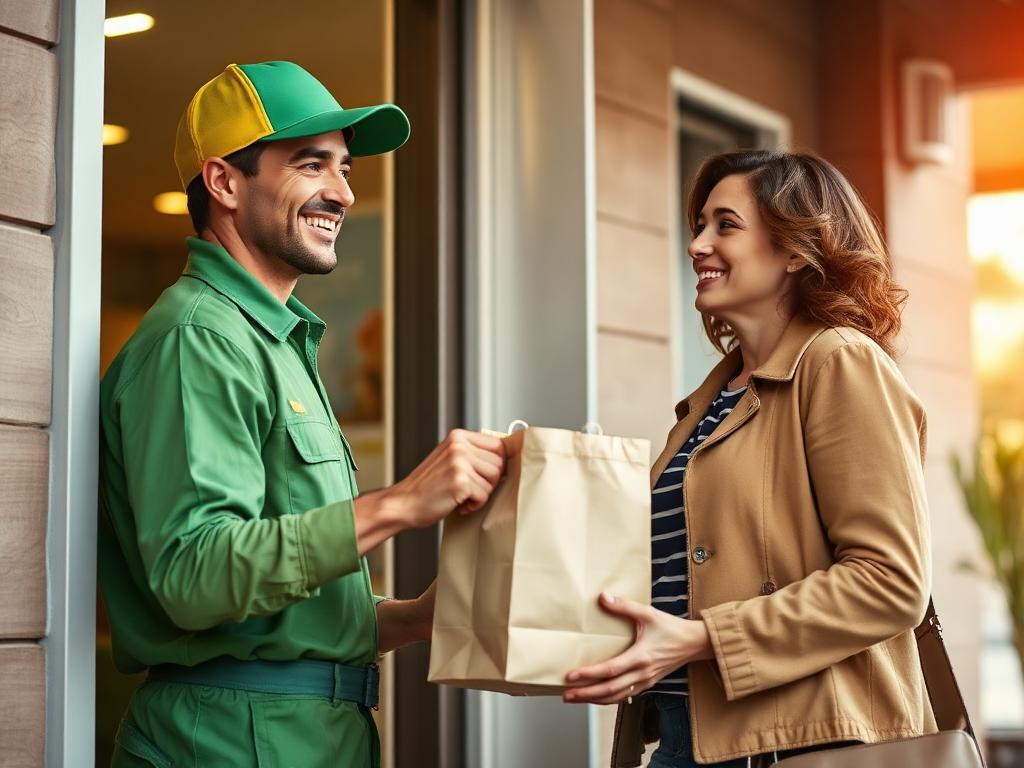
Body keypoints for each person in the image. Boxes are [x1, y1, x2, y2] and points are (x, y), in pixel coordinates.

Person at [98, 61, 505, 768]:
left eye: (345, 169)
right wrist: (401, 504)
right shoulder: (200, 337)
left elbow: (273, 611)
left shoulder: (276, 341)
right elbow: (194, 576)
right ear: (224, 182)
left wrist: (409, 619)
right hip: (231, 742)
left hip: (299, 735)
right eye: (312, 164)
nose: (342, 193)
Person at [562, 151, 935, 767]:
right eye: (699, 226)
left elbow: (890, 582)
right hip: (689, 737)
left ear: (795, 248)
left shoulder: (838, 361)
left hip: (803, 745)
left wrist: (705, 638)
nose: (697, 245)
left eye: (725, 225)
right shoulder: (715, 398)